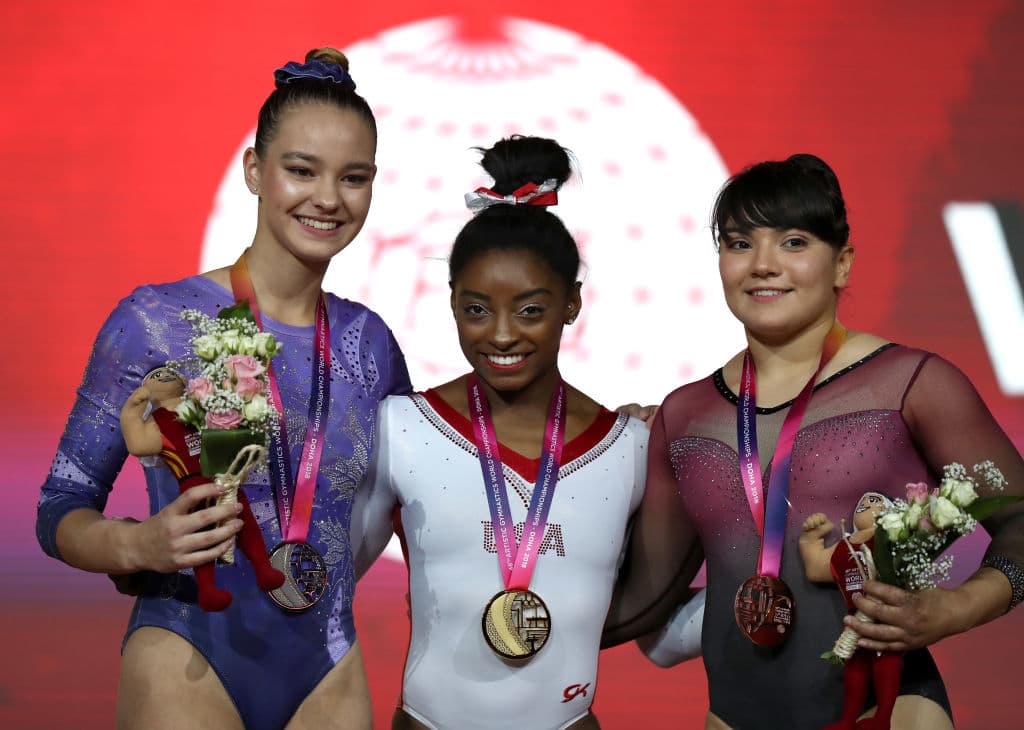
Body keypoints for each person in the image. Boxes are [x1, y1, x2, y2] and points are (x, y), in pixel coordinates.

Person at [36, 48, 411, 730]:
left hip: (329, 666)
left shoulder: (371, 343)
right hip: (188, 654)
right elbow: (60, 505)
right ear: (254, 171)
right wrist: (137, 547)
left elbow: (418, 496)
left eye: (353, 177)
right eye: (302, 170)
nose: (328, 198)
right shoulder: (155, 321)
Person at [602, 153, 1024, 729]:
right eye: (739, 244)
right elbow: (643, 598)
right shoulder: (685, 414)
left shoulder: (911, 384)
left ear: (842, 264)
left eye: (794, 243)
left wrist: (954, 608)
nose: (763, 265)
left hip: (887, 712)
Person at [351, 136, 649, 729]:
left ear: (572, 303)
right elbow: (326, 585)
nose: (503, 335)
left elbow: (659, 623)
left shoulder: (630, 448)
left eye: (530, 310)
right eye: (477, 309)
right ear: (452, 303)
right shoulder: (400, 428)